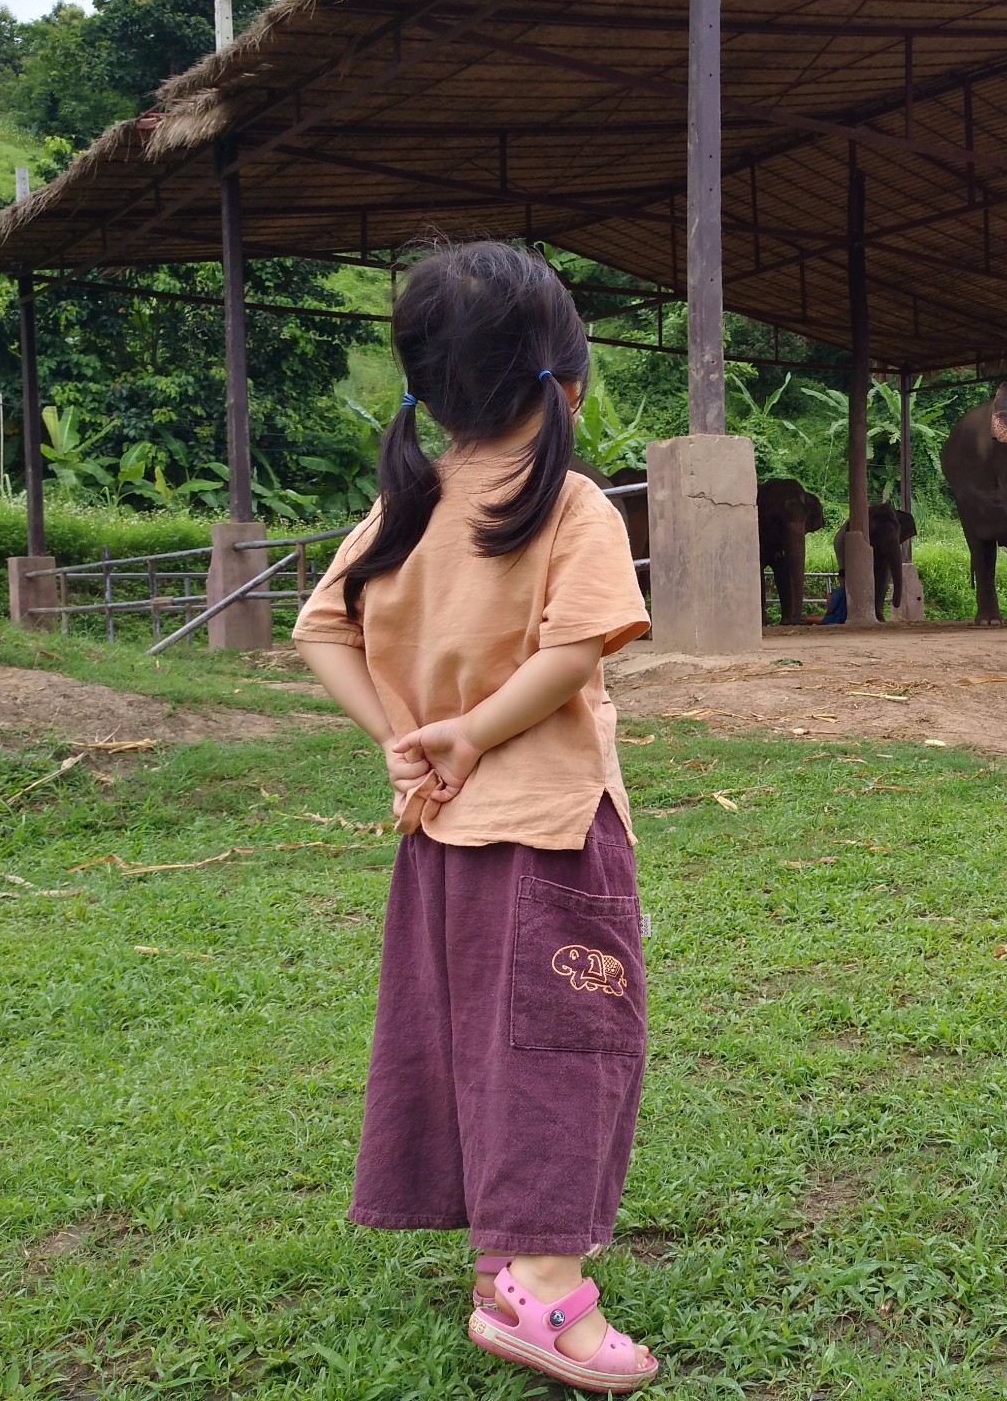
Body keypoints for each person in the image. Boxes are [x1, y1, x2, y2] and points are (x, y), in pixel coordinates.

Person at [293, 241, 659, 1394]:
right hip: (549, 828)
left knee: (472, 1036)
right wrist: (475, 732)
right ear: (565, 387)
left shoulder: (407, 502)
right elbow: (572, 649)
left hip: (438, 836)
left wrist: (404, 736)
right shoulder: (571, 503)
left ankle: (505, 1247)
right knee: (568, 1044)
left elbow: (318, 627)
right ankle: (543, 1292)